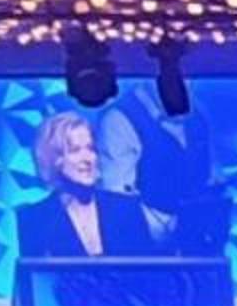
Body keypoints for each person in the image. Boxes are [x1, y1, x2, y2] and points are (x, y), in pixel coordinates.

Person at [13, 112, 166, 266]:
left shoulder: (126, 208)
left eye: (91, 148)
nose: (87, 159)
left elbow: (148, 274)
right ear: (53, 159)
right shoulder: (35, 220)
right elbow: (38, 278)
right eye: (75, 150)